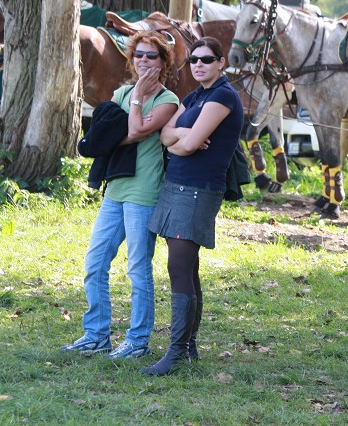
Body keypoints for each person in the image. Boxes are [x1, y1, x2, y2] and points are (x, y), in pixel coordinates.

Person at [61, 31, 179, 358]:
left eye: (151, 56)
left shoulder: (167, 100)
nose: (143, 60)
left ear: (163, 62)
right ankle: (96, 334)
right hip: (115, 187)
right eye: (138, 54)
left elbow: (138, 130)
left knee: (138, 268)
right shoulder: (119, 93)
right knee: (95, 262)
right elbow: (101, 135)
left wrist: (138, 99)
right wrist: (121, 126)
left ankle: (138, 342)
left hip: (144, 189)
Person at [142, 36, 243, 376]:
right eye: (195, 60)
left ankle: (176, 352)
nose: (199, 64)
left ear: (221, 62)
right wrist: (180, 138)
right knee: (186, 268)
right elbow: (165, 136)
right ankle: (187, 347)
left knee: (179, 267)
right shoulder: (195, 96)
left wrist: (181, 139)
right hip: (177, 186)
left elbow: (188, 144)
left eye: (206, 59)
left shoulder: (223, 96)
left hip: (199, 189)